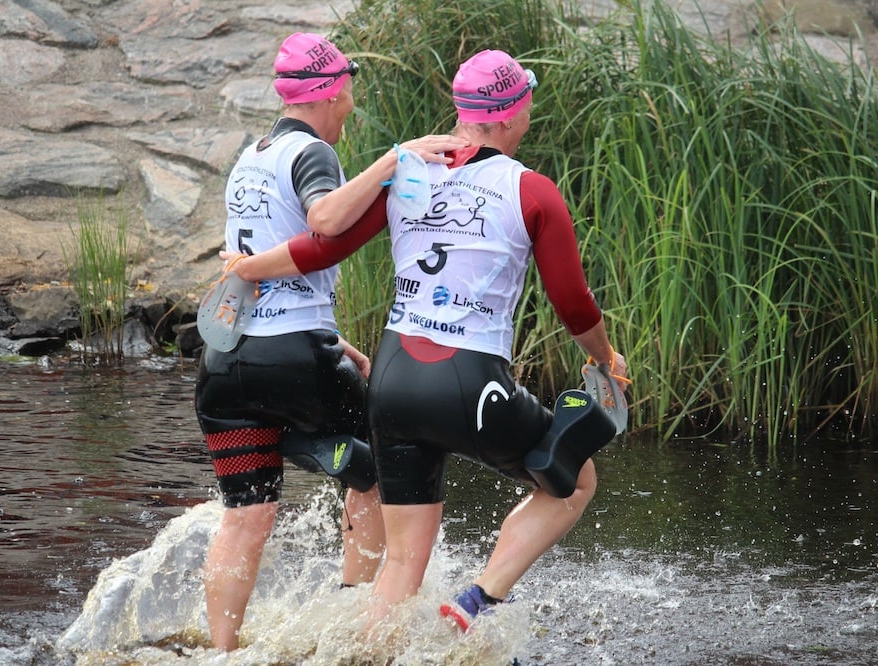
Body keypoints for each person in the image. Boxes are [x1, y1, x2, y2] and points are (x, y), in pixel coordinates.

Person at [220, 48, 628, 632]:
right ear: (514, 112)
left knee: (403, 563)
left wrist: (246, 268)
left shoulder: (406, 171)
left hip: (392, 382)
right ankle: (479, 599)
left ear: (464, 111)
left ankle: (364, 652)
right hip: (470, 382)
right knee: (574, 478)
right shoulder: (532, 191)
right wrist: (605, 359)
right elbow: (573, 302)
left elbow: (322, 246)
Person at [194, 31, 466, 651]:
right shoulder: (312, 153)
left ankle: (222, 654)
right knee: (376, 464)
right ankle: (354, 626)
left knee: (247, 516)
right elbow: (324, 220)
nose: (349, 107)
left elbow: (265, 256)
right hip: (293, 358)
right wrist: (395, 159)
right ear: (332, 91)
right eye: (348, 93)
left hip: (227, 364)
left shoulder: (250, 156)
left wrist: (332, 337)